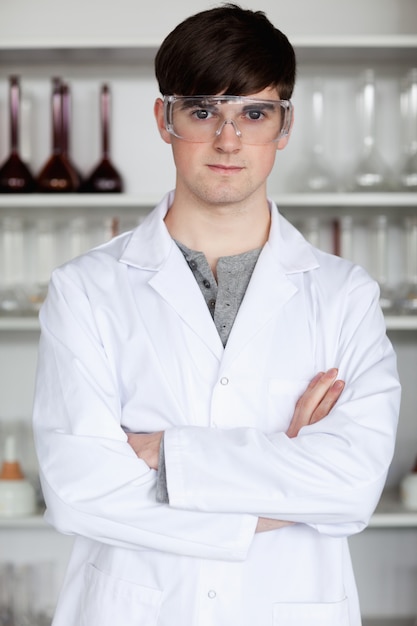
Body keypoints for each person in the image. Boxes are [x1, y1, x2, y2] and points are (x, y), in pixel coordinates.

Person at [32, 4, 401, 626]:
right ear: (164, 119)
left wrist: (168, 456)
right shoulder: (86, 290)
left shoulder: (344, 295)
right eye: (203, 111)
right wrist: (286, 469)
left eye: (253, 114)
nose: (228, 140)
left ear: (284, 127)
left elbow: (352, 485)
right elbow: (78, 494)